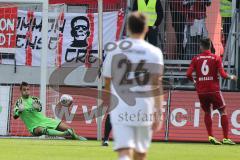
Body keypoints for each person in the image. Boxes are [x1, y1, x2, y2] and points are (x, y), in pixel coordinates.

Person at [103, 12, 164, 160]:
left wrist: (109, 101)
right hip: (144, 106)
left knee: (124, 151)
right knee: (140, 153)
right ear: (146, 29)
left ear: (128, 29)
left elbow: (107, 80)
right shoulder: (154, 52)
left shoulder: (115, 49)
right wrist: (158, 111)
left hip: (121, 105)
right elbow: (156, 84)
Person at [186, 38, 237, 145]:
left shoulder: (196, 59)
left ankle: (210, 136)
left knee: (207, 112)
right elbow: (223, 75)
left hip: (201, 91)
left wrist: (195, 82)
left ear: (201, 46)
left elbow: (188, 74)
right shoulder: (216, 58)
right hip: (214, 90)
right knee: (223, 111)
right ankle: (226, 138)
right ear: (210, 46)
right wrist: (232, 77)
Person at [13, 81, 87, 140]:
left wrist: (37, 107)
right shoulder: (19, 102)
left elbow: (39, 109)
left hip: (45, 120)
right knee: (40, 129)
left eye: (28, 89)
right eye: (24, 89)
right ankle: (63, 134)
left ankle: (77, 138)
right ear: (21, 91)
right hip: (34, 126)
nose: (26, 91)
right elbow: (15, 116)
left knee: (70, 129)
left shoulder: (34, 99)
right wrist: (20, 110)